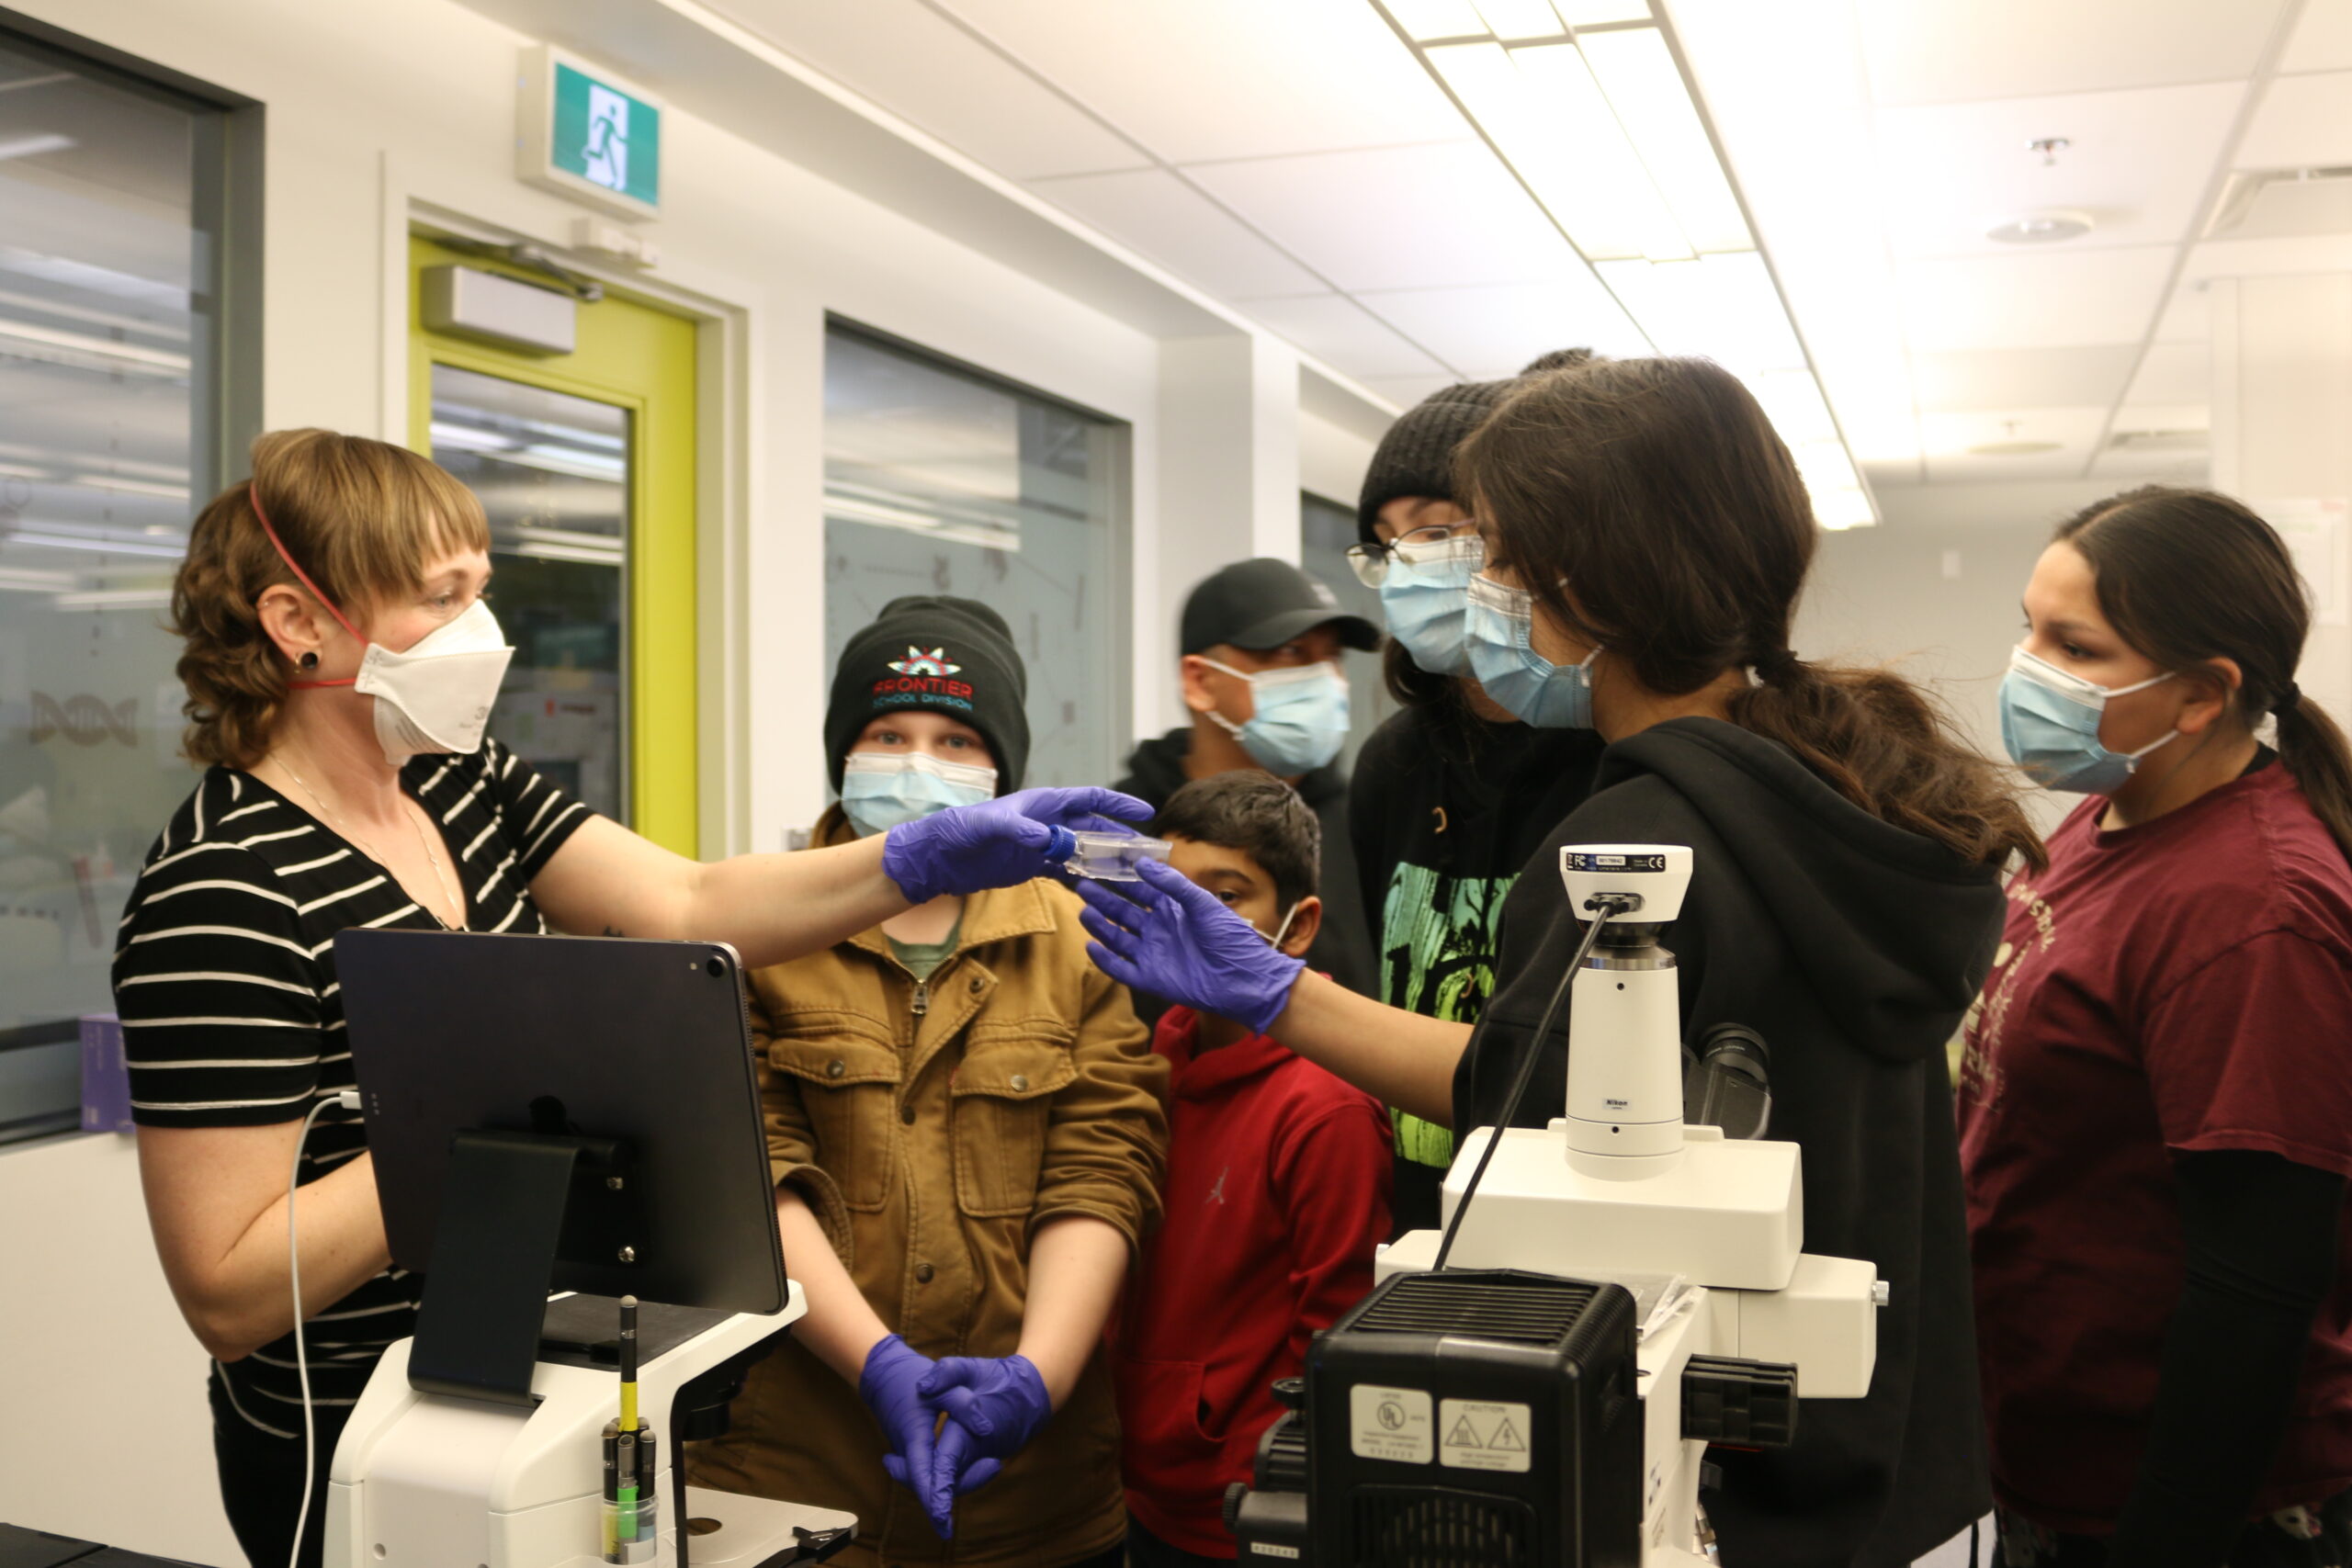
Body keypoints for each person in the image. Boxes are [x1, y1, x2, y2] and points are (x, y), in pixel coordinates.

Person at [114, 432, 1148, 1568]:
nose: (481, 632)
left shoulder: (460, 785)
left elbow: (688, 899)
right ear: (297, 620)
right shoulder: (220, 891)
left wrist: (918, 860)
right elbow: (229, 1292)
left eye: (482, 591)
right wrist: (488, 1096)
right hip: (360, 1439)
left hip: (530, 1383)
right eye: (438, 596)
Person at [1079, 356, 2043, 1567]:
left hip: (1733, 1498)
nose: (1479, 594)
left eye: (1495, 556)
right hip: (1905, 1469)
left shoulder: (1634, 845)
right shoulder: (1828, 787)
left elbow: (1516, 1089)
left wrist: (1275, 989)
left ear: (1587, 583)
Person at [685, 595, 1168, 1568]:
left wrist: (1037, 1378)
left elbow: (1100, 1168)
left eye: (955, 739)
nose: (918, 763)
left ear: (1004, 771)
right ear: (841, 751)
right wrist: (877, 1365)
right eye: (886, 734)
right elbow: (748, 1170)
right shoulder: (759, 934)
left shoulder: (1081, 939)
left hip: (1034, 1506)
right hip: (793, 1483)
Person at [1958, 486, 2352, 1568]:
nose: (2026, 666)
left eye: (2072, 646)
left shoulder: (2253, 911)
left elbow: (2257, 1282)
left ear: (2199, 696)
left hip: (2182, 1507)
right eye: (2029, 625)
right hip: (2050, 1454)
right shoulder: (2114, 807)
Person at [1346, 350, 1607, 1235]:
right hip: (1426, 1216)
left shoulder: (1606, 750)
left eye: (1435, 527)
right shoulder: (1393, 765)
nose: (1409, 562)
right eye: (1388, 542)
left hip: (1575, 1209)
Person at [1110, 773, 1392, 1568]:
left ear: (1297, 926)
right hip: (1140, 1490)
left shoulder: (1324, 1107)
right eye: (1169, 891)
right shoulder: (1146, 1064)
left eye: (1226, 896)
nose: (1189, 918)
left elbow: (1331, 1339)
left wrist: (1274, 1485)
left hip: (1245, 1515)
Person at [1114, 558, 1379, 998]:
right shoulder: (1121, 832)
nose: (1326, 679)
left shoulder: (1368, 825)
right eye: (1291, 653)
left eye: (1333, 656)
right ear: (1199, 680)